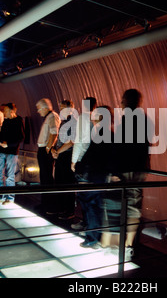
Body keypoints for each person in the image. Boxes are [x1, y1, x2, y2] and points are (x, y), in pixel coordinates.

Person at [104, 89, 152, 258]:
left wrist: (113, 169)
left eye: (122, 100)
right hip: (139, 168)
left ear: (126, 101)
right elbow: (145, 145)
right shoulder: (144, 118)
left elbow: (121, 147)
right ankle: (127, 245)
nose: (120, 103)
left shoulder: (129, 118)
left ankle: (121, 246)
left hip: (127, 169)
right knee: (133, 205)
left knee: (125, 205)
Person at [75, 105, 115, 248]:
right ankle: (91, 235)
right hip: (95, 176)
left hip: (93, 177)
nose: (92, 119)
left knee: (91, 207)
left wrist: (80, 167)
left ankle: (92, 238)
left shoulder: (103, 134)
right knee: (91, 207)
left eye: (95, 116)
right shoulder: (106, 134)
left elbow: (93, 157)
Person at [69, 97, 97, 232]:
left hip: (82, 161)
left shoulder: (82, 118)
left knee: (83, 196)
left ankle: (86, 224)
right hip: (93, 161)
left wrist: (73, 161)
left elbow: (79, 141)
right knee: (91, 197)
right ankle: (91, 225)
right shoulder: (97, 118)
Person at [0, 103, 25, 205]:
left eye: (5, 111)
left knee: (10, 175)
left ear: (12, 111)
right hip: (2, 150)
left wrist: (9, 144)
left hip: (12, 152)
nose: (3, 113)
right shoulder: (5, 121)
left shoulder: (19, 121)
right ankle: (1, 195)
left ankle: (10, 198)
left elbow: (21, 137)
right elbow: (3, 135)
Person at [51, 99, 78, 220]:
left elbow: (71, 142)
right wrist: (53, 149)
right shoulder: (63, 122)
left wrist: (57, 151)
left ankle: (69, 210)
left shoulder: (73, 122)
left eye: (62, 108)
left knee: (67, 183)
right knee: (59, 182)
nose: (60, 110)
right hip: (61, 155)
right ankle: (61, 208)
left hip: (67, 156)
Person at [36, 98, 61, 214]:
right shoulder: (49, 117)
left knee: (47, 178)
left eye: (39, 109)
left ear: (45, 108)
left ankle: (49, 206)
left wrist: (48, 148)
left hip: (45, 150)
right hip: (43, 149)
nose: (38, 111)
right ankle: (45, 204)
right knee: (44, 178)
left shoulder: (52, 116)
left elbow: (54, 132)